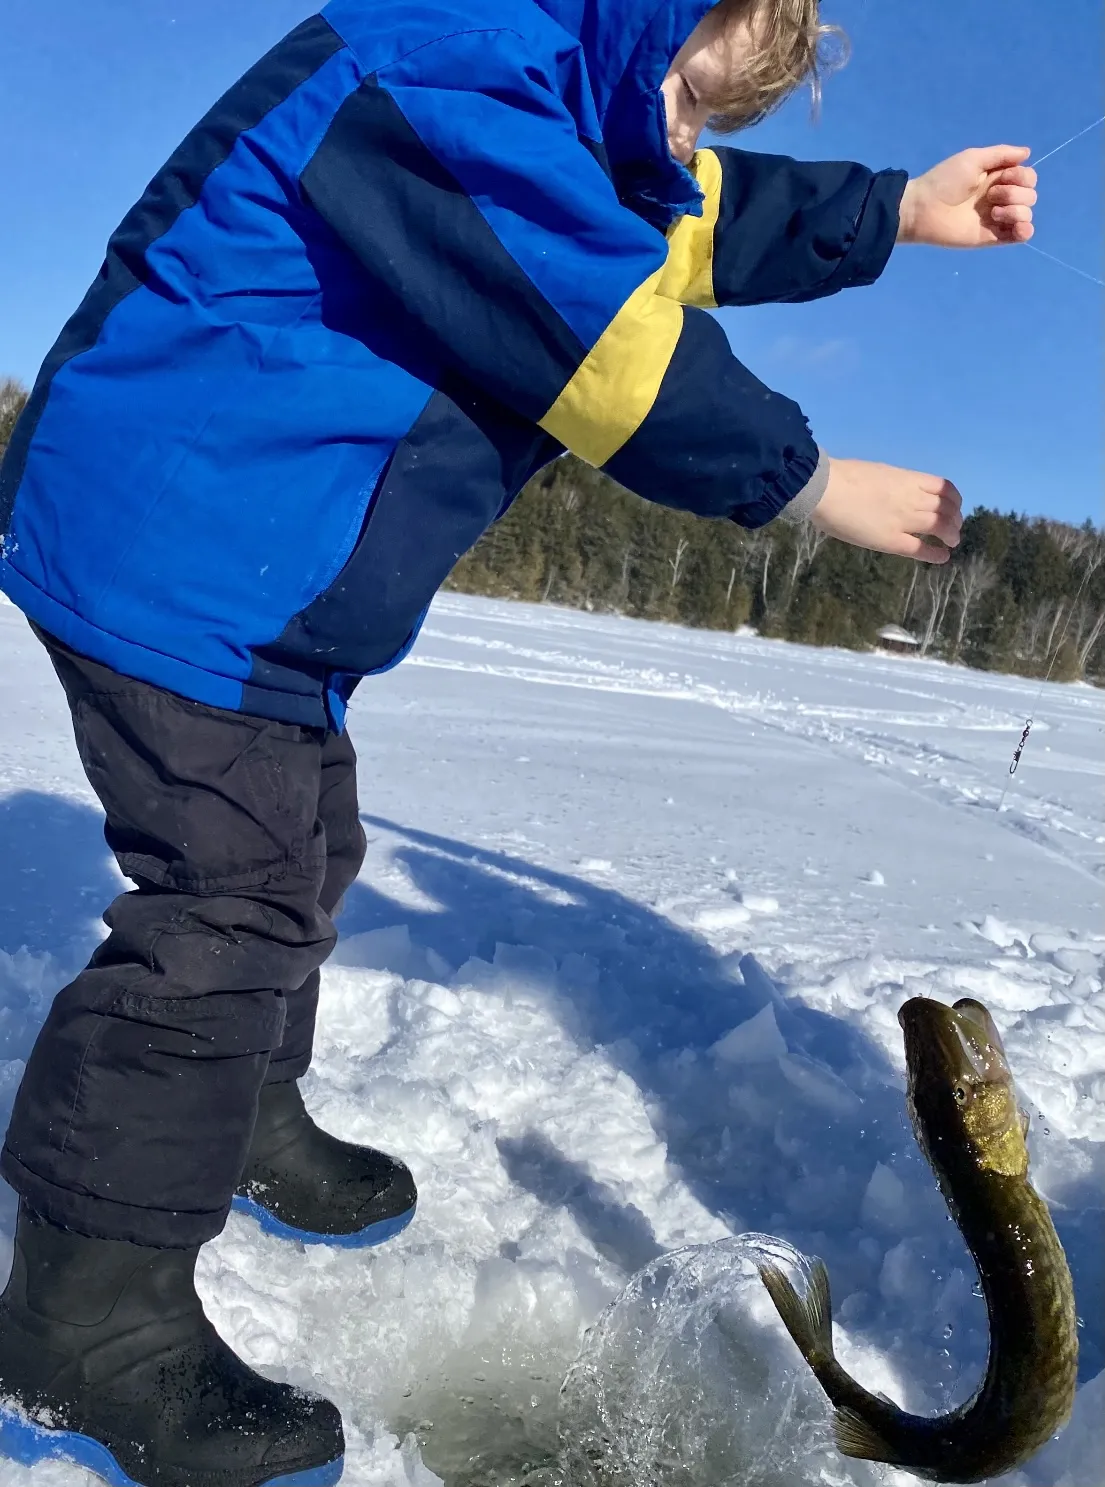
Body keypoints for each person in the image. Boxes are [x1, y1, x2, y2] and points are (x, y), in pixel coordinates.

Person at [0, 0, 1036, 1482]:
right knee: (227, 904)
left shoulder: (568, 106)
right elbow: (605, 340)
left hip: (262, 587)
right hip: (174, 552)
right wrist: (811, 484)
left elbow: (696, 211)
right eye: (689, 92)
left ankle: (238, 1108)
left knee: (304, 847)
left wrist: (902, 212)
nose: (686, 138)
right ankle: (81, 1321)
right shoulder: (453, 56)